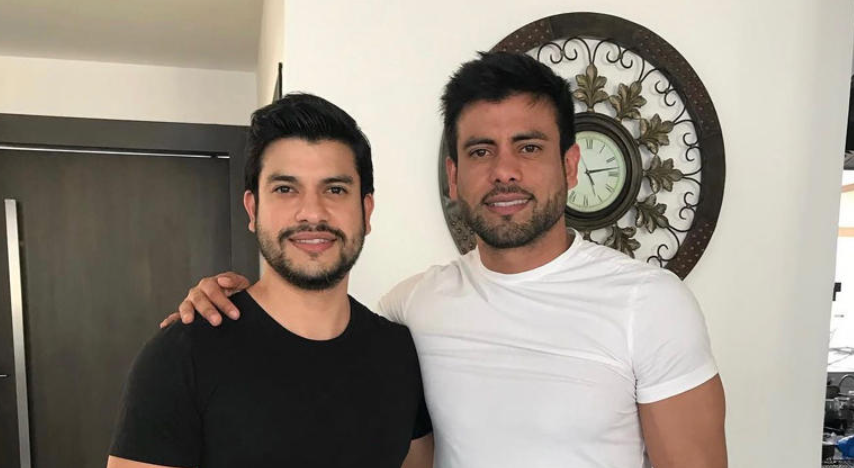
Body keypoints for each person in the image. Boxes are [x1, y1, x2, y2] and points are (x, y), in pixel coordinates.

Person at [166, 52, 727, 468]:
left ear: (571, 164)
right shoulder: (411, 307)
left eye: (529, 147)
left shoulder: (648, 304)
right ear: (454, 176)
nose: (504, 171)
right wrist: (230, 303)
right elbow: (318, 335)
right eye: (481, 151)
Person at [108, 93, 433, 468]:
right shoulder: (183, 356)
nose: (312, 212)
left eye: (335, 189)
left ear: (366, 210)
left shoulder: (398, 355)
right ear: (252, 209)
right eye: (285, 189)